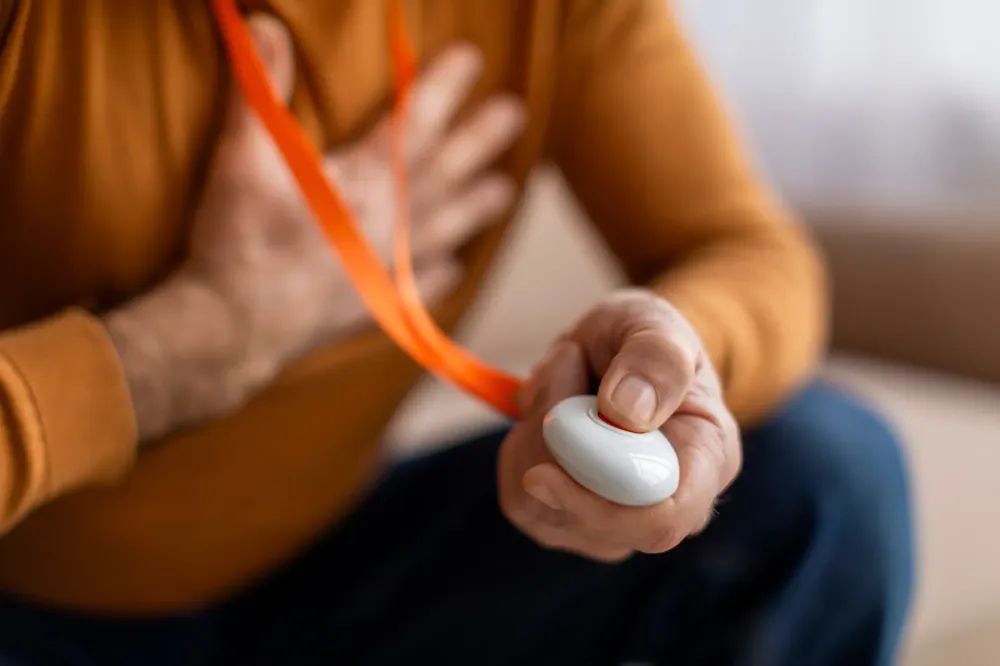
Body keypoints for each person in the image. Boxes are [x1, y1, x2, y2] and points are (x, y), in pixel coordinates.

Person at [0, 1, 913, 664]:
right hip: (26, 602)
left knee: (828, 479)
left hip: (332, 571)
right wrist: (185, 347)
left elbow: (750, 252)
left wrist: (681, 362)